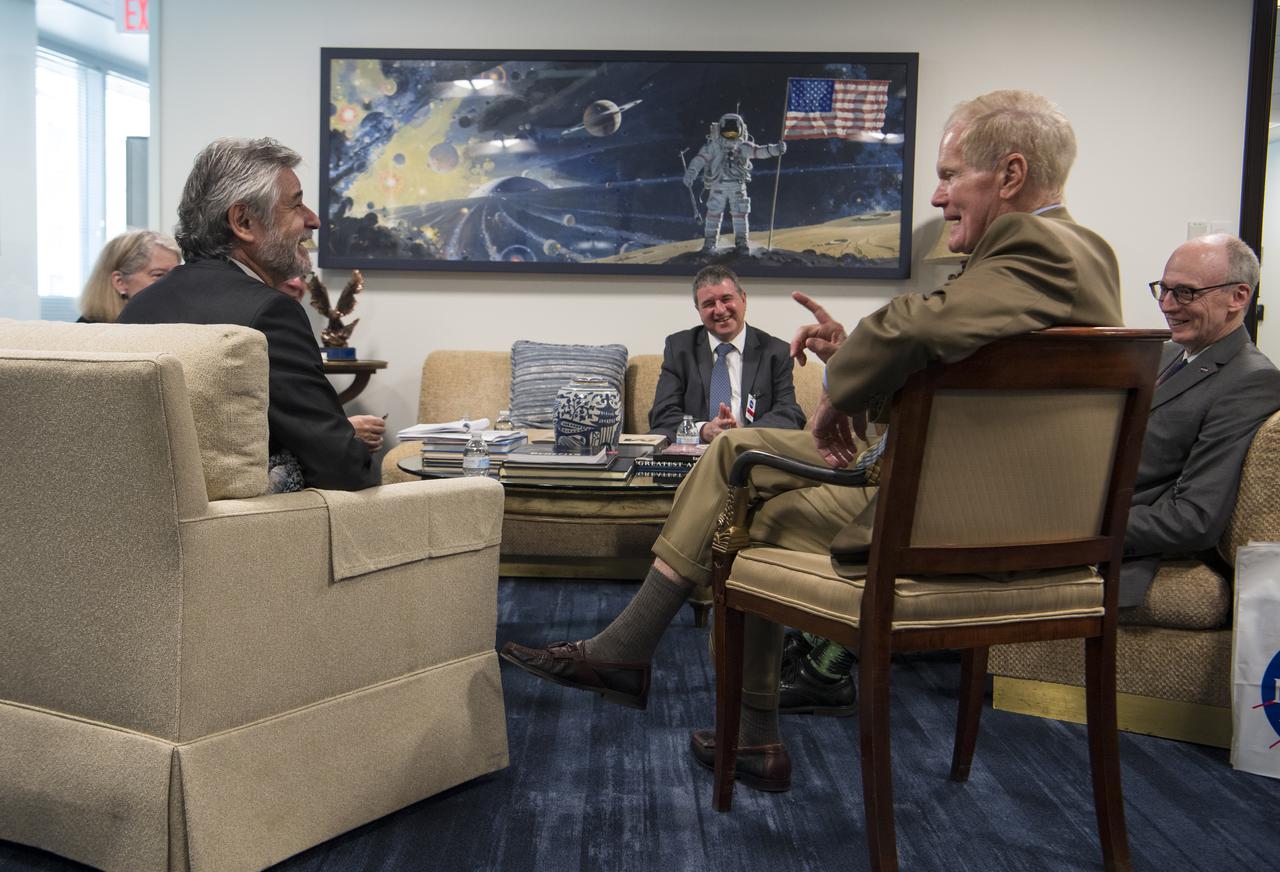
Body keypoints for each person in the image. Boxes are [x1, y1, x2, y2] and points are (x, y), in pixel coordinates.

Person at [501, 89, 1123, 792]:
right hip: (975, 501)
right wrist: (851, 358)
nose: (938, 195)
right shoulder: (1076, 255)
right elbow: (961, 375)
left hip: (959, 522)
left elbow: (917, 325)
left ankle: (708, 702)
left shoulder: (1038, 245)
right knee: (738, 466)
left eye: (950, 175)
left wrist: (841, 388)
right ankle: (684, 690)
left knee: (746, 513)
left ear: (1010, 175)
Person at [783, 233, 1280, 717]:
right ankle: (815, 645)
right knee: (935, 489)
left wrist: (1075, 525)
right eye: (1164, 289)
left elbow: (1194, 518)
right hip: (1051, 499)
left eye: (1185, 293)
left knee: (937, 519)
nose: (1168, 305)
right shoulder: (1167, 355)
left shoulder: (1251, 381)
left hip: (1094, 533)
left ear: (1239, 297)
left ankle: (824, 667)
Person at [119, 137, 378, 492]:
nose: (314, 220)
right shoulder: (270, 314)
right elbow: (341, 467)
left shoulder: (137, 308)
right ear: (243, 221)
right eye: (296, 204)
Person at [649, 265, 805, 444]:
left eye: (726, 299)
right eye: (709, 304)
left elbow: (789, 413)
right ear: (698, 309)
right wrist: (703, 430)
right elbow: (662, 414)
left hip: (750, 450)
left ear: (743, 299)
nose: (720, 310)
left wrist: (742, 435)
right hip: (695, 452)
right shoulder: (679, 348)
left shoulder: (775, 352)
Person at [277, 273, 386, 454]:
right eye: (288, 274)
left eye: (303, 277)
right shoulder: (261, 327)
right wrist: (342, 430)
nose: (298, 284)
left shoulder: (292, 330)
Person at [683, 113, 786, 255]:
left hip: (737, 186)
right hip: (718, 185)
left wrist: (774, 150)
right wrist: (691, 173)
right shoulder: (714, 146)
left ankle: (742, 242)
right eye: (727, 132)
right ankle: (710, 243)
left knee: (739, 215)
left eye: (733, 132)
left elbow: (759, 151)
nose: (730, 135)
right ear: (719, 130)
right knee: (714, 214)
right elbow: (699, 160)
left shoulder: (743, 147)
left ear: (741, 130)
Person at [77, 230, 181, 323]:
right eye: (159, 275)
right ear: (120, 282)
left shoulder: (171, 326)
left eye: (175, 274)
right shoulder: (87, 334)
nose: (174, 284)